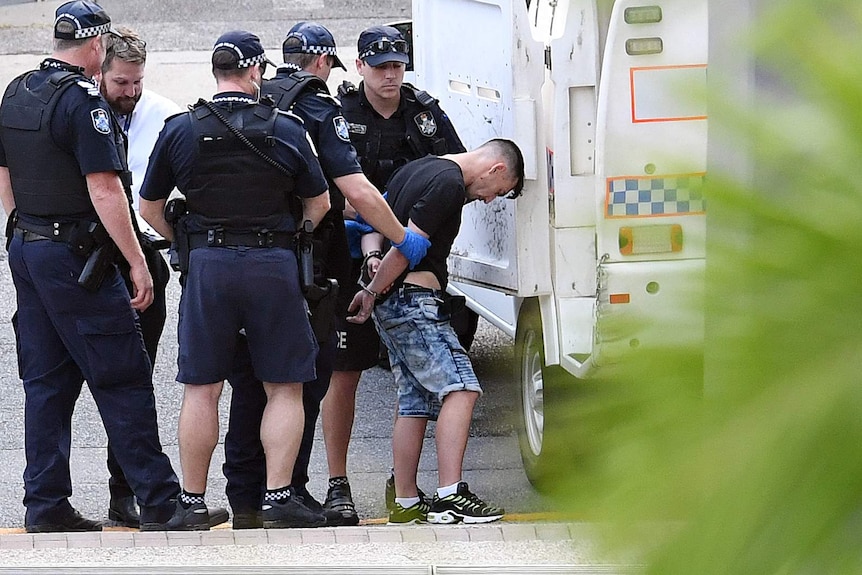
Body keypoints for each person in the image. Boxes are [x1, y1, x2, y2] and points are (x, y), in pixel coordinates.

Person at [222, 21, 432, 528]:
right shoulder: (316, 106)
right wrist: (402, 238)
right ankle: (286, 491)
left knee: (251, 383)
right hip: (301, 261)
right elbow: (355, 189)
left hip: (233, 257)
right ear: (323, 63)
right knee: (300, 380)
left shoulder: (255, 96)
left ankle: (246, 498)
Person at [139, 30, 332, 530]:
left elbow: (149, 207)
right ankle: (278, 498)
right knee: (284, 387)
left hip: (209, 265)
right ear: (256, 72)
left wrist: (187, 245)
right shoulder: (287, 129)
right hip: (273, 264)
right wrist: (296, 237)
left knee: (202, 388)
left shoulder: (180, 128)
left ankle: (192, 502)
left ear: (217, 71)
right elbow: (320, 203)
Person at [0, 0, 180, 533]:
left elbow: (4, 174)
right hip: (78, 257)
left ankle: (46, 504)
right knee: (123, 376)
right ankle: (161, 504)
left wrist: (21, 229)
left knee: (46, 382)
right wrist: (136, 262)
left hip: (30, 250)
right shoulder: (83, 102)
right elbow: (105, 189)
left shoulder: (17, 91)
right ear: (99, 46)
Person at [320, 24, 466, 521]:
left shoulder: (424, 115)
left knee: (420, 382)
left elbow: (455, 175)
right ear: (359, 65)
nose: (389, 75)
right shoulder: (341, 115)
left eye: (397, 65)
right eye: (379, 66)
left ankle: (403, 487)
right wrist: (369, 236)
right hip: (352, 259)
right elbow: (320, 193)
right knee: (346, 373)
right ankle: (338, 481)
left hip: (414, 265)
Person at [347, 138, 525, 525]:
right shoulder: (448, 184)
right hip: (413, 300)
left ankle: (407, 501)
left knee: (414, 400)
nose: (492, 199)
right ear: (496, 168)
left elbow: (377, 222)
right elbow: (410, 247)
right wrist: (371, 291)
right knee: (462, 388)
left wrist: (372, 271)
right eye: (501, 190)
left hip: (394, 302)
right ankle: (450, 495)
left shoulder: (419, 168)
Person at [98, 24, 181, 529]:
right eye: (121, 83)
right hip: (90, 255)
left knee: (135, 380)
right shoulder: (80, 110)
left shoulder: (163, 114)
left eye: (137, 83)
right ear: (100, 71)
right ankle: (48, 498)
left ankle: (122, 491)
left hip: (144, 255)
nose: (130, 93)